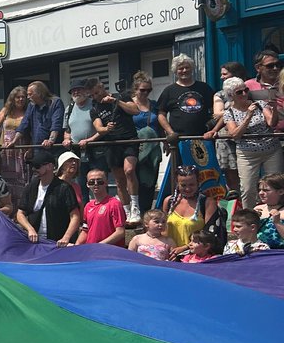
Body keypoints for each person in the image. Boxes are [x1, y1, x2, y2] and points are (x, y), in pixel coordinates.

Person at [223, 77, 283, 206]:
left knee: (275, 186)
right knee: (248, 189)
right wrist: (248, 116)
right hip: (247, 154)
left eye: (246, 90)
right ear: (231, 95)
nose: (244, 94)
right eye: (239, 92)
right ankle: (249, 218)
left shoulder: (259, 104)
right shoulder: (229, 112)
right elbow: (235, 135)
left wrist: (274, 110)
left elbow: (271, 123)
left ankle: (276, 216)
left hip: (271, 150)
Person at [89, 78, 140, 221]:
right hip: (111, 144)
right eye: (92, 95)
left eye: (97, 92)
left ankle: (136, 207)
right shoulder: (94, 108)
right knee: (119, 180)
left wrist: (115, 102)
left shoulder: (121, 96)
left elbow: (135, 111)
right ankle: (126, 210)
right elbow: (98, 127)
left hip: (129, 139)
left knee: (129, 170)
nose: (95, 97)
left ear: (102, 87)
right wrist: (106, 129)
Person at [15, 148, 81, 247]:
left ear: (50, 166)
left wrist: (66, 238)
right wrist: (30, 229)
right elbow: (20, 213)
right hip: (35, 242)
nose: (34, 169)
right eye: (33, 166)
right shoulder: (31, 186)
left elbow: (75, 216)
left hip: (57, 242)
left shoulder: (64, 188)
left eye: (37, 166)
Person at [156, 54, 216, 143]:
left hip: (203, 137)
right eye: (180, 68)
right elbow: (161, 114)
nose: (184, 70)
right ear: (175, 71)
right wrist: (171, 133)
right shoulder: (169, 90)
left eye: (187, 67)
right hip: (179, 140)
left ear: (192, 68)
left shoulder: (204, 88)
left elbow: (215, 110)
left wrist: (212, 128)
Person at [0, 86, 31, 203]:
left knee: (23, 180)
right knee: (6, 181)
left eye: (23, 97)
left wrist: (30, 149)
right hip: (6, 151)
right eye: (18, 97)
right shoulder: (6, 111)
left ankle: (20, 210)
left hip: (21, 150)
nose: (21, 99)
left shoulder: (28, 111)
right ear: (13, 98)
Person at [130, 71, 164, 215]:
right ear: (135, 89)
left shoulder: (154, 105)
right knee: (136, 180)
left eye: (148, 90)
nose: (146, 93)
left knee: (150, 182)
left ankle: (147, 213)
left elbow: (161, 123)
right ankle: (136, 211)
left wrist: (165, 140)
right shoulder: (129, 104)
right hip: (135, 149)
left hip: (153, 149)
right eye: (142, 90)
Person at [163, 165, 219, 253]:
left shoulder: (207, 203)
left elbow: (209, 235)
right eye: (183, 185)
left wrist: (185, 248)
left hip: (194, 255)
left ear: (198, 182)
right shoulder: (169, 202)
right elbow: (162, 230)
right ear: (177, 183)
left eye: (192, 184)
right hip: (169, 253)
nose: (188, 189)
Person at [62, 78, 105, 176]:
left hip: (97, 151)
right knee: (81, 184)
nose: (76, 92)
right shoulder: (69, 108)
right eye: (73, 90)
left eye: (79, 89)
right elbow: (67, 130)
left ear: (86, 91)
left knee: (98, 182)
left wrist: (89, 140)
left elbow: (104, 129)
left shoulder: (95, 104)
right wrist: (66, 139)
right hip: (77, 153)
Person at [76, 168, 127, 246]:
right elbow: (85, 230)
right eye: (91, 182)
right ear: (87, 185)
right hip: (91, 251)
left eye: (99, 181)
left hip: (109, 252)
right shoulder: (88, 206)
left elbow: (120, 232)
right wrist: (76, 246)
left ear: (106, 183)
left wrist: (100, 245)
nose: (95, 184)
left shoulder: (115, 204)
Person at [16, 81, 65, 149]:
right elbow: (24, 124)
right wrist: (13, 141)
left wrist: (50, 141)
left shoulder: (55, 102)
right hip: (37, 147)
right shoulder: (31, 105)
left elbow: (56, 124)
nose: (28, 97)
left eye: (30, 94)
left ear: (39, 93)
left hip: (54, 147)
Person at [245, 50, 284, 132]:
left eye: (278, 65)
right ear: (258, 68)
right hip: (262, 137)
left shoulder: (283, 84)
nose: (275, 68)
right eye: (270, 66)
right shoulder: (248, 86)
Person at [253, 173, 284, 248]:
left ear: (281, 192)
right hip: (260, 251)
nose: (261, 193)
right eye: (259, 190)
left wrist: (277, 223)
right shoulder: (257, 209)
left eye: (266, 190)